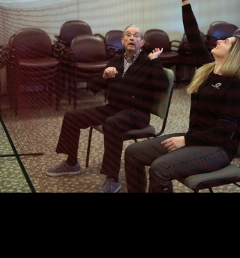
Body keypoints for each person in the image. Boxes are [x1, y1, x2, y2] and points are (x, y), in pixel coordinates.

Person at [123, 0, 240, 193]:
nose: (219, 40)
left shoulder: (234, 86)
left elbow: (224, 132)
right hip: (195, 140)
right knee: (133, 153)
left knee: (159, 168)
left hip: (217, 149)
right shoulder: (208, 69)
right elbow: (194, 36)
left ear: (235, 55)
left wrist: (185, 139)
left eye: (226, 42)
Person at [46, 25, 169, 193]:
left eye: (136, 36)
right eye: (128, 35)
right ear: (123, 41)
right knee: (71, 116)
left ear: (142, 42)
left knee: (112, 124)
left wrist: (156, 60)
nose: (132, 38)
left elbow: (162, 85)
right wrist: (104, 77)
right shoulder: (116, 60)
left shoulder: (149, 61)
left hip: (137, 113)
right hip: (114, 108)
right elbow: (93, 87)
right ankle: (71, 163)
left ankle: (112, 178)